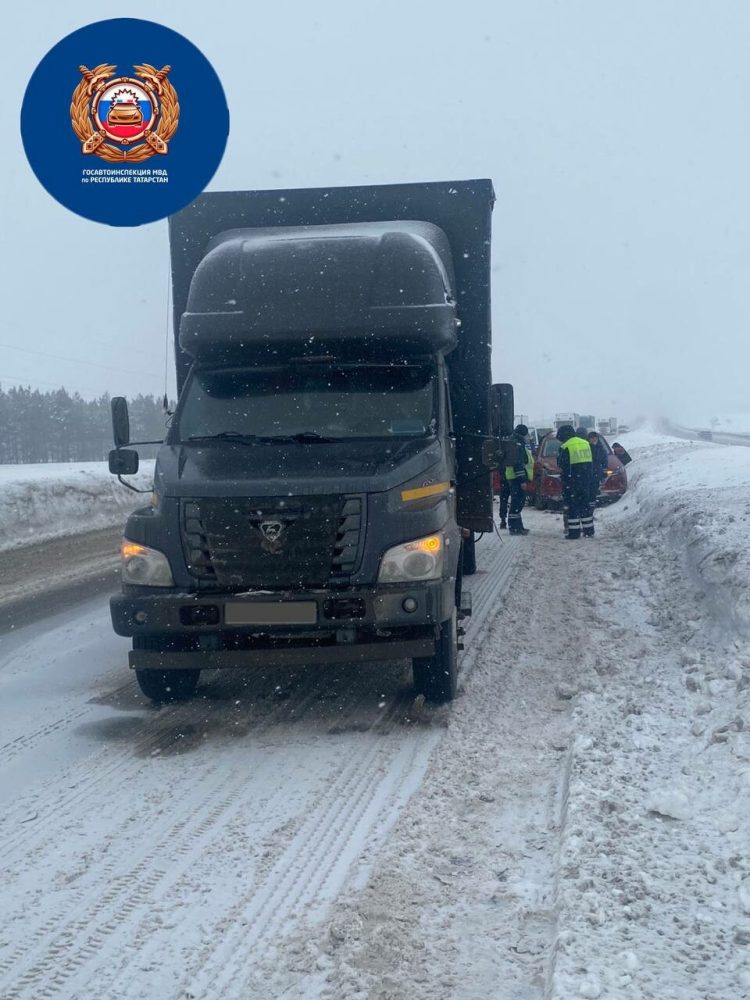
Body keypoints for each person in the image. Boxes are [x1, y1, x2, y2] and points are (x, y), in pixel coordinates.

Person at [556, 424, 594, 539]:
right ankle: (589, 530)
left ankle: (574, 532)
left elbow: (561, 464)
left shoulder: (565, 446)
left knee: (573, 507)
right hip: (586, 481)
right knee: (585, 506)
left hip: (571, 482)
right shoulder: (585, 443)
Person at [502, 424, 534, 535]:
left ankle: (518, 526)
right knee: (517, 503)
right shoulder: (517, 444)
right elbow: (518, 463)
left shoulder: (515, 442)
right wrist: (522, 481)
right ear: (523, 433)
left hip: (514, 477)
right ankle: (514, 528)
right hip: (517, 478)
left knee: (518, 503)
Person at [587, 431, 609, 503]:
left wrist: (604, 473)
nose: (593, 439)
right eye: (591, 438)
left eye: (595, 438)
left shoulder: (601, 449)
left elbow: (604, 462)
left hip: (597, 474)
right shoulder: (586, 448)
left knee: (594, 492)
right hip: (587, 474)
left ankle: (591, 507)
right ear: (589, 439)